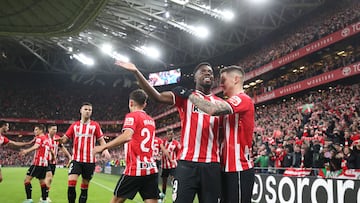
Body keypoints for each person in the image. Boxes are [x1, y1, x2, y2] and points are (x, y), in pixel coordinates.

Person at [116, 61, 223, 203]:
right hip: (187, 164)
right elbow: (157, 97)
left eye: (210, 71)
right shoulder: (186, 97)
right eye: (203, 71)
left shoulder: (220, 104)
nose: (208, 73)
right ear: (195, 78)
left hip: (212, 165)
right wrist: (136, 72)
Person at [172, 65, 255, 203]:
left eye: (223, 81)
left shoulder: (242, 99)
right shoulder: (228, 104)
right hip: (223, 167)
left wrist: (189, 95)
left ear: (236, 79)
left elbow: (212, 109)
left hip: (239, 167)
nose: (221, 85)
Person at [92, 89, 159, 203]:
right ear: (145, 104)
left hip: (135, 169)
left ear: (131, 103)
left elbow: (127, 136)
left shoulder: (132, 116)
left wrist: (103, 147)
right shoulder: (151, 121)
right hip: (151, 168)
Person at [56, 102, 111, 203]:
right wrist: (60, 140)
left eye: (89, 110)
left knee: (84, 188)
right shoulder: (74, 126)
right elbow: (65, 139)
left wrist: (105, 149)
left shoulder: (95, 126)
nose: (87, 112)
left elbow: (101, 140)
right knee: (71, 184)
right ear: (80, 111)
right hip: (76, 160)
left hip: (90, 161)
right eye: (85, 109)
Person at [20, 124, 54, 203]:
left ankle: (29, 199)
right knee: (42, 181)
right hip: (44, 164)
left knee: (27, 180)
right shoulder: (47, 139)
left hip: (37, 163)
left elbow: (36, 146)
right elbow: (51, 151)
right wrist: (53, 158)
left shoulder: (39, 138)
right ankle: (44, 200)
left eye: (36, 130)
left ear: (41, 130)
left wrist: (26, 151)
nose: (34, 131)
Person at [43, 124, 72, 202]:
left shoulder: (57, 138)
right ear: (48, 129)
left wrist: (69, 156)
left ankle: (45, 196)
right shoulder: (44, 138)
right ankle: (43, 197)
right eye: (53, 129)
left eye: (56, 129)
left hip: (53, 162)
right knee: (49, 177)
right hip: (45, 161)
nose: (55, 131)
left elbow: (62, 147)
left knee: (50, 179)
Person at [160, 128, 181, 199]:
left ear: (173, 134)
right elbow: (160, 151)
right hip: (164, 166)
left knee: (173, 181)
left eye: (171, 134)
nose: (170, 135)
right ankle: (163, 195)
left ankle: (174, 195)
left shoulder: (176, 143)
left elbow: (180, 153)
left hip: (172, 166)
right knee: (164, 182)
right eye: (169, 134)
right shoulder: (163, 142)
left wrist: (176, 160)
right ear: (166, 135)